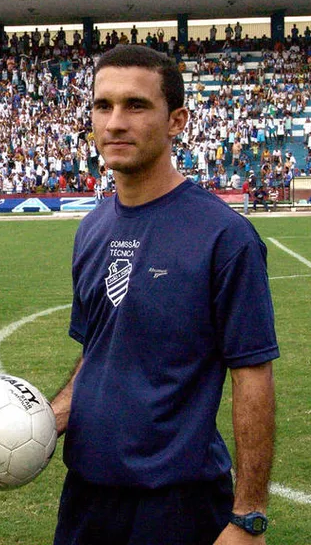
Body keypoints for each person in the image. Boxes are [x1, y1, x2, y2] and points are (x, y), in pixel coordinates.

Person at [50, 45, 278, 545]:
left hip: (178, 502)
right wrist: (46, 422)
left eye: (135, 105)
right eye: (102, 105)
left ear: (176, 121)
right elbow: (98, 351)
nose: (114, 122)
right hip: (87, 496)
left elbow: (252, 374)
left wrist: (249, 518)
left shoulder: (224, 236)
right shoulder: (91, 229)